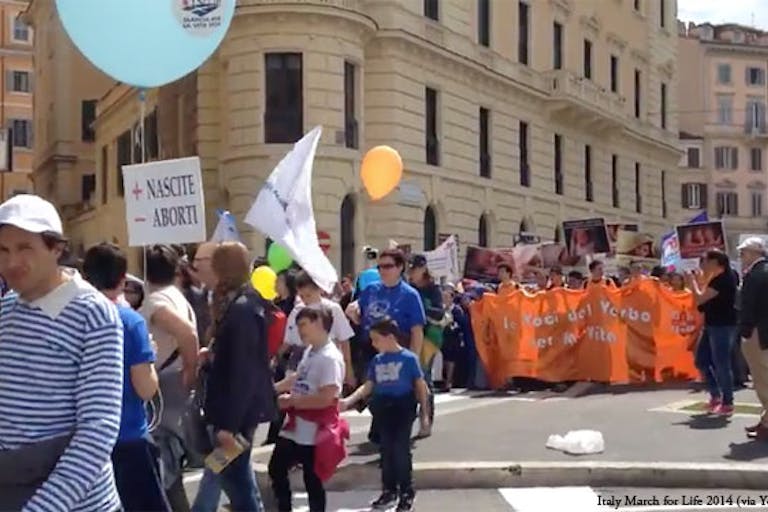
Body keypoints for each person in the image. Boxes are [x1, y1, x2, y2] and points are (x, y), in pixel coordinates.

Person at [0, 195, 123, 511]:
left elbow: (98, 430)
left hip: (74, 504)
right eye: (3, 250)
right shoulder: (7, 307)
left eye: (24, 248)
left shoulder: (93, 314)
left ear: (56, 248)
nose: (11, 263)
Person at [82, 243, 170, 512]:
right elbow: (145, 388)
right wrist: (150, 359)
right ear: (122, 280)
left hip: (82, 442)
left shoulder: (70, 318)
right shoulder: (130, 321)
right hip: (127, 436)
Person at [192, 242, 276, 512]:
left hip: (236, 418)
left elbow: (243, 372)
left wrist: (228, 426)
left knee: (238, 485)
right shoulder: (240, 304)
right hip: (234, 415)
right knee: (229, 475)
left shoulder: (242, 309)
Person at [341, 317, 431, 512]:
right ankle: (389, 490)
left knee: (401, 450)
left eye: (376, 339)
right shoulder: (377, 360)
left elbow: (420, 386)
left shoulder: (408, 359)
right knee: (386, 450)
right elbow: (369, 385)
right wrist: (349, 401)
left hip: (403, 406)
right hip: (383, 407)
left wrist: (424, 414)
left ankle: (406, 491)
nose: (373, 344)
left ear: (389, 337)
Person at [269, 306, 346, 512]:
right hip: (295, 426)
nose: (300, 330)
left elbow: (328, 398)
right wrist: (273, 390)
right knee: (276, 468)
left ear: (319, 323)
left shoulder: (329, 357)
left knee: (313, 480)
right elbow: (298, 377)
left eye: (303, 324)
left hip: (314, 430)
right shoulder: (311, 351)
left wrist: (292, 402)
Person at [141, 244, 200, 512]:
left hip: (164, 385)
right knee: (170, 463)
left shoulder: (157, 301)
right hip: (171, 381)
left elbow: (187, 333)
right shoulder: (175, 295)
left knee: (165, 461)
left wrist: (190, 368)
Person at [346, 249, 426, 444]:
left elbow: (417, 330)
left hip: (397, 348)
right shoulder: (371, 290)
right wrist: (354, 310)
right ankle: (382, 425)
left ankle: (408, 422)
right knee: (371, 387)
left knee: (396, 389)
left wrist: (413, 357)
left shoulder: (410, 295)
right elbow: (359, 312)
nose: (383, 271)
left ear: (400, 268)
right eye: (380, 267)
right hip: (371, 347)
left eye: (388, 266)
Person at [686, 250, 738, 416]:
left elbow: (700, 298)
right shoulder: (714, 278)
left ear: (715, 262)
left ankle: (727, 402)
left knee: (721, 363)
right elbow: (701, 303)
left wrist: (692, 283)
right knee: (701, 360)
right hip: (711, 324)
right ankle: (715, 395)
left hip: (722, 326)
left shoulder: (724, 279)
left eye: (705, 261)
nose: (703, 264)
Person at [286, 270, 356, 388]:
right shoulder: (297, 310)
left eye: (308, 295)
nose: (306, 300)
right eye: (301, 296)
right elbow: (290, 339)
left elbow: (344, 339)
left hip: (326, 359)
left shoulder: (332, 309)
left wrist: (348, 368)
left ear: (319, 289)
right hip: (302, 359)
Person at [737, 237, 768, 439]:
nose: (741, 256)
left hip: (758, 331)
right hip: (762, 329)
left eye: (744, 252)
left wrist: (745, 330)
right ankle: (765, 419)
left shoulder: (755, 274)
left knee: (762, 378)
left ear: (755, 252)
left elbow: (748, 306)